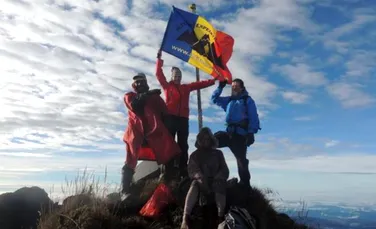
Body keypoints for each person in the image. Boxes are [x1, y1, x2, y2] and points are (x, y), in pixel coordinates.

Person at [156, 50, 217, 178]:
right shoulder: (167, 86)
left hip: (183, 119)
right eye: (175, 76)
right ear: (172, 76)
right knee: (170, 144)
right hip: (170, 118)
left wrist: (213, 80)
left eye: (179, 76)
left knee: (183, 144)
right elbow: (158, 74)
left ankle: (183, 169)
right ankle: (169, 170)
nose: (178, 78)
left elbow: (199, 84)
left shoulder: (186, 87)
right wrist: (159, 60)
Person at [121, 73, 181, 196]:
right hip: (135, 134)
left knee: (171, 151)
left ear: (146, 83)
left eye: (142, 82)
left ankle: (168, 181)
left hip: (154, 133)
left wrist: (170, 132)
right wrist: (147, 95)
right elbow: (134, 106)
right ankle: (125, 191)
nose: (140, 84)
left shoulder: (156, 98)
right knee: (130, 160)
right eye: (137, 82)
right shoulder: (129, 96)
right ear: (134, 85)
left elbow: (165, 114)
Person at [211, 78, 260, 188]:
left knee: (241, 161)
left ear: (242, 88)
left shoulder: (247, 100)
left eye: (237, 86)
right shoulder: (229, 100)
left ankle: (245, 186)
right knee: (210, 142)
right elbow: (214, 99)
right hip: (228, 134)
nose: (234, 88)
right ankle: (210, 175)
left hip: (240, 135)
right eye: (232, 86)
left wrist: (251, 133)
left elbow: (254, 117)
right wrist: (220, 87)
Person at [181, 127, 229, 229]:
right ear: (200, 140)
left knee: (220, 186)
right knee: (194, 185)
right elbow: (192, 169)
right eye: (203, 139)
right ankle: (185, 218)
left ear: (211, 140)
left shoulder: (218, 154)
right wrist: (200, 178)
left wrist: (218, 177)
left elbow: (224, 169)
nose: (206, 141)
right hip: (201, 182)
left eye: (208, 139)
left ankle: (220, 218)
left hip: (216, 181)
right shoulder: (195, 155)